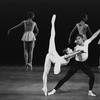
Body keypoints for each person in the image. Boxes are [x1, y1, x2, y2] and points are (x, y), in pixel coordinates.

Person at [48, 29, 100, 96]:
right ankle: (53, 90)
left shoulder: (87, 42)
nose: (77, 40)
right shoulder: (76, 47)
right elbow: (78, 55)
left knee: (92, 76)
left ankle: (90, 92)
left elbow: (94, 35)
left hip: (84, 64)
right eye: (76, 39)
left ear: (82, 39)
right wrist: (79, 52)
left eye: (79, 38)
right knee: (66, 77)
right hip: (77, 64)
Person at [42, 14, 81, 96]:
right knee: (52, 37)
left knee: (52, 38)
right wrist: (78, 52)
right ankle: (44, 87)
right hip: (52, 56)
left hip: (55, 58)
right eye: (69, 49)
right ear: (67, 52)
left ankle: (57, 67)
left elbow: (73, 51)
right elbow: (72, 54)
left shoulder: (70, 55)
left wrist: (76, 46)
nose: (70, 49)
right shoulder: (67, 56)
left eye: (70, 49)